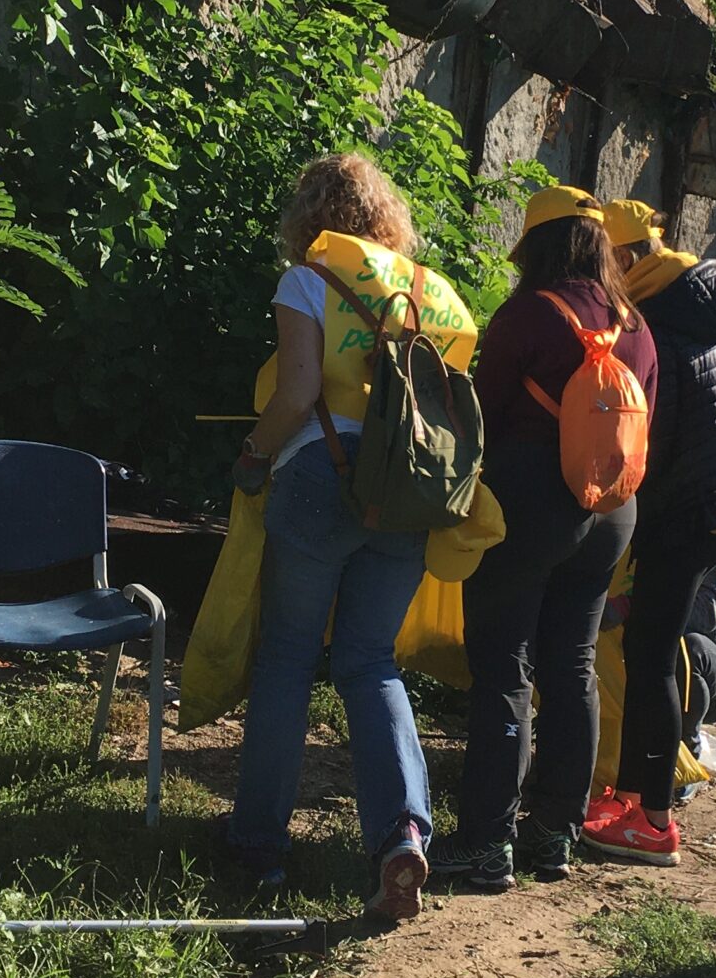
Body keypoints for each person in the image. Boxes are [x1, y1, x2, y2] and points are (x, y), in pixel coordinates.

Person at [227, 152, 470, 924]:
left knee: (288, 661)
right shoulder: (437, 296)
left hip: (320, 482)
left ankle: (258, 846)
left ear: (309, 217)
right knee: (370, 662)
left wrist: (254, 456)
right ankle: (401, 831)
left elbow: (298, 394)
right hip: (406, 496)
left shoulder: (307, 281)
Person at [429, 186, 657, 893]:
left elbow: (481, 410)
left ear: (536, 245)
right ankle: (552, 836)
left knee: (505, 668)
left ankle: (485, 845)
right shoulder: (636, 325)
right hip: (613, 510)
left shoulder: (531, 313)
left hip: (530, 503)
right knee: (573, 665)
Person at [582, 199, 716, 865]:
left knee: (650, 661)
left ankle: (654, 822)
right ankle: (640, 794)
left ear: (626, 258)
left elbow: (651, 438)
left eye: (602, 262)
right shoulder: (707, 289)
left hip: (685, 510)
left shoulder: (650, 324)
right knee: (656, 651)